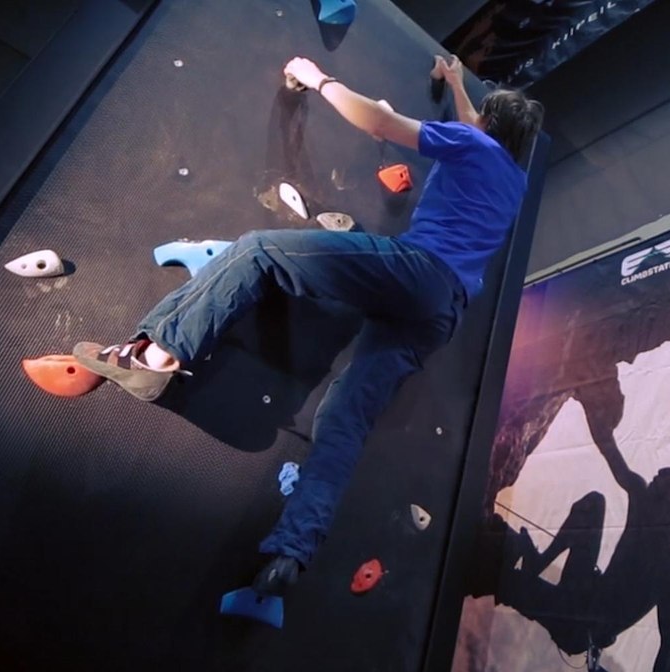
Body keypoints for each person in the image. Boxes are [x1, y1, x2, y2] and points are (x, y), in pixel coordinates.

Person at [72, 54, 543, 596]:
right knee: (346, 418)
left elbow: (381, 124)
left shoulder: (475, 144)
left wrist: (318, 79)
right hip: (442, 314)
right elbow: (474, 124)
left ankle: (158, 355)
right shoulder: (511, 180)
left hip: (420, 274)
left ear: (488, 126)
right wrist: (458, 84)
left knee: (259, 250)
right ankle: (292, 552)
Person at [491, 380, 670, 672]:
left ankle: (527, 571)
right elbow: (609, 448)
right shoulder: (642, 500)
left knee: (501, 576)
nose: (661, 471)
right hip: (578, 596)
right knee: (594, 503)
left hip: (580, 628)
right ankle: (537, 563)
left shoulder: (667, 565)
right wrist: (586, 392)